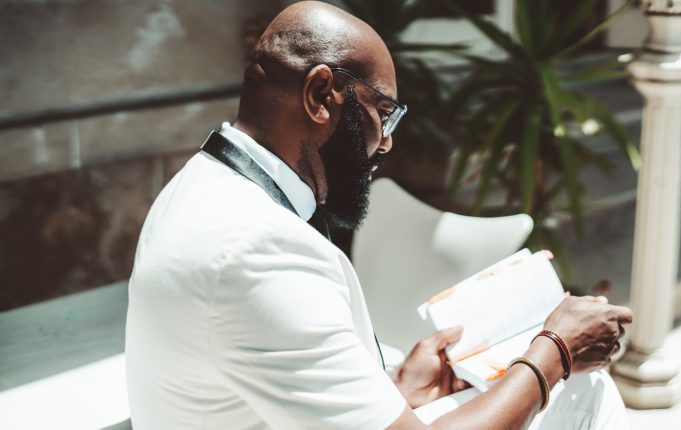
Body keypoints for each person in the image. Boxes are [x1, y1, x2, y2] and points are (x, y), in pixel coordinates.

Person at [125, 2, 633, 429]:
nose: (386, 141)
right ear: (322, 95)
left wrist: (394, 389)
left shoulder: (201, 183)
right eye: (383, 112)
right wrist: (555, 350)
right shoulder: (257, 250)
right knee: (580, 389)